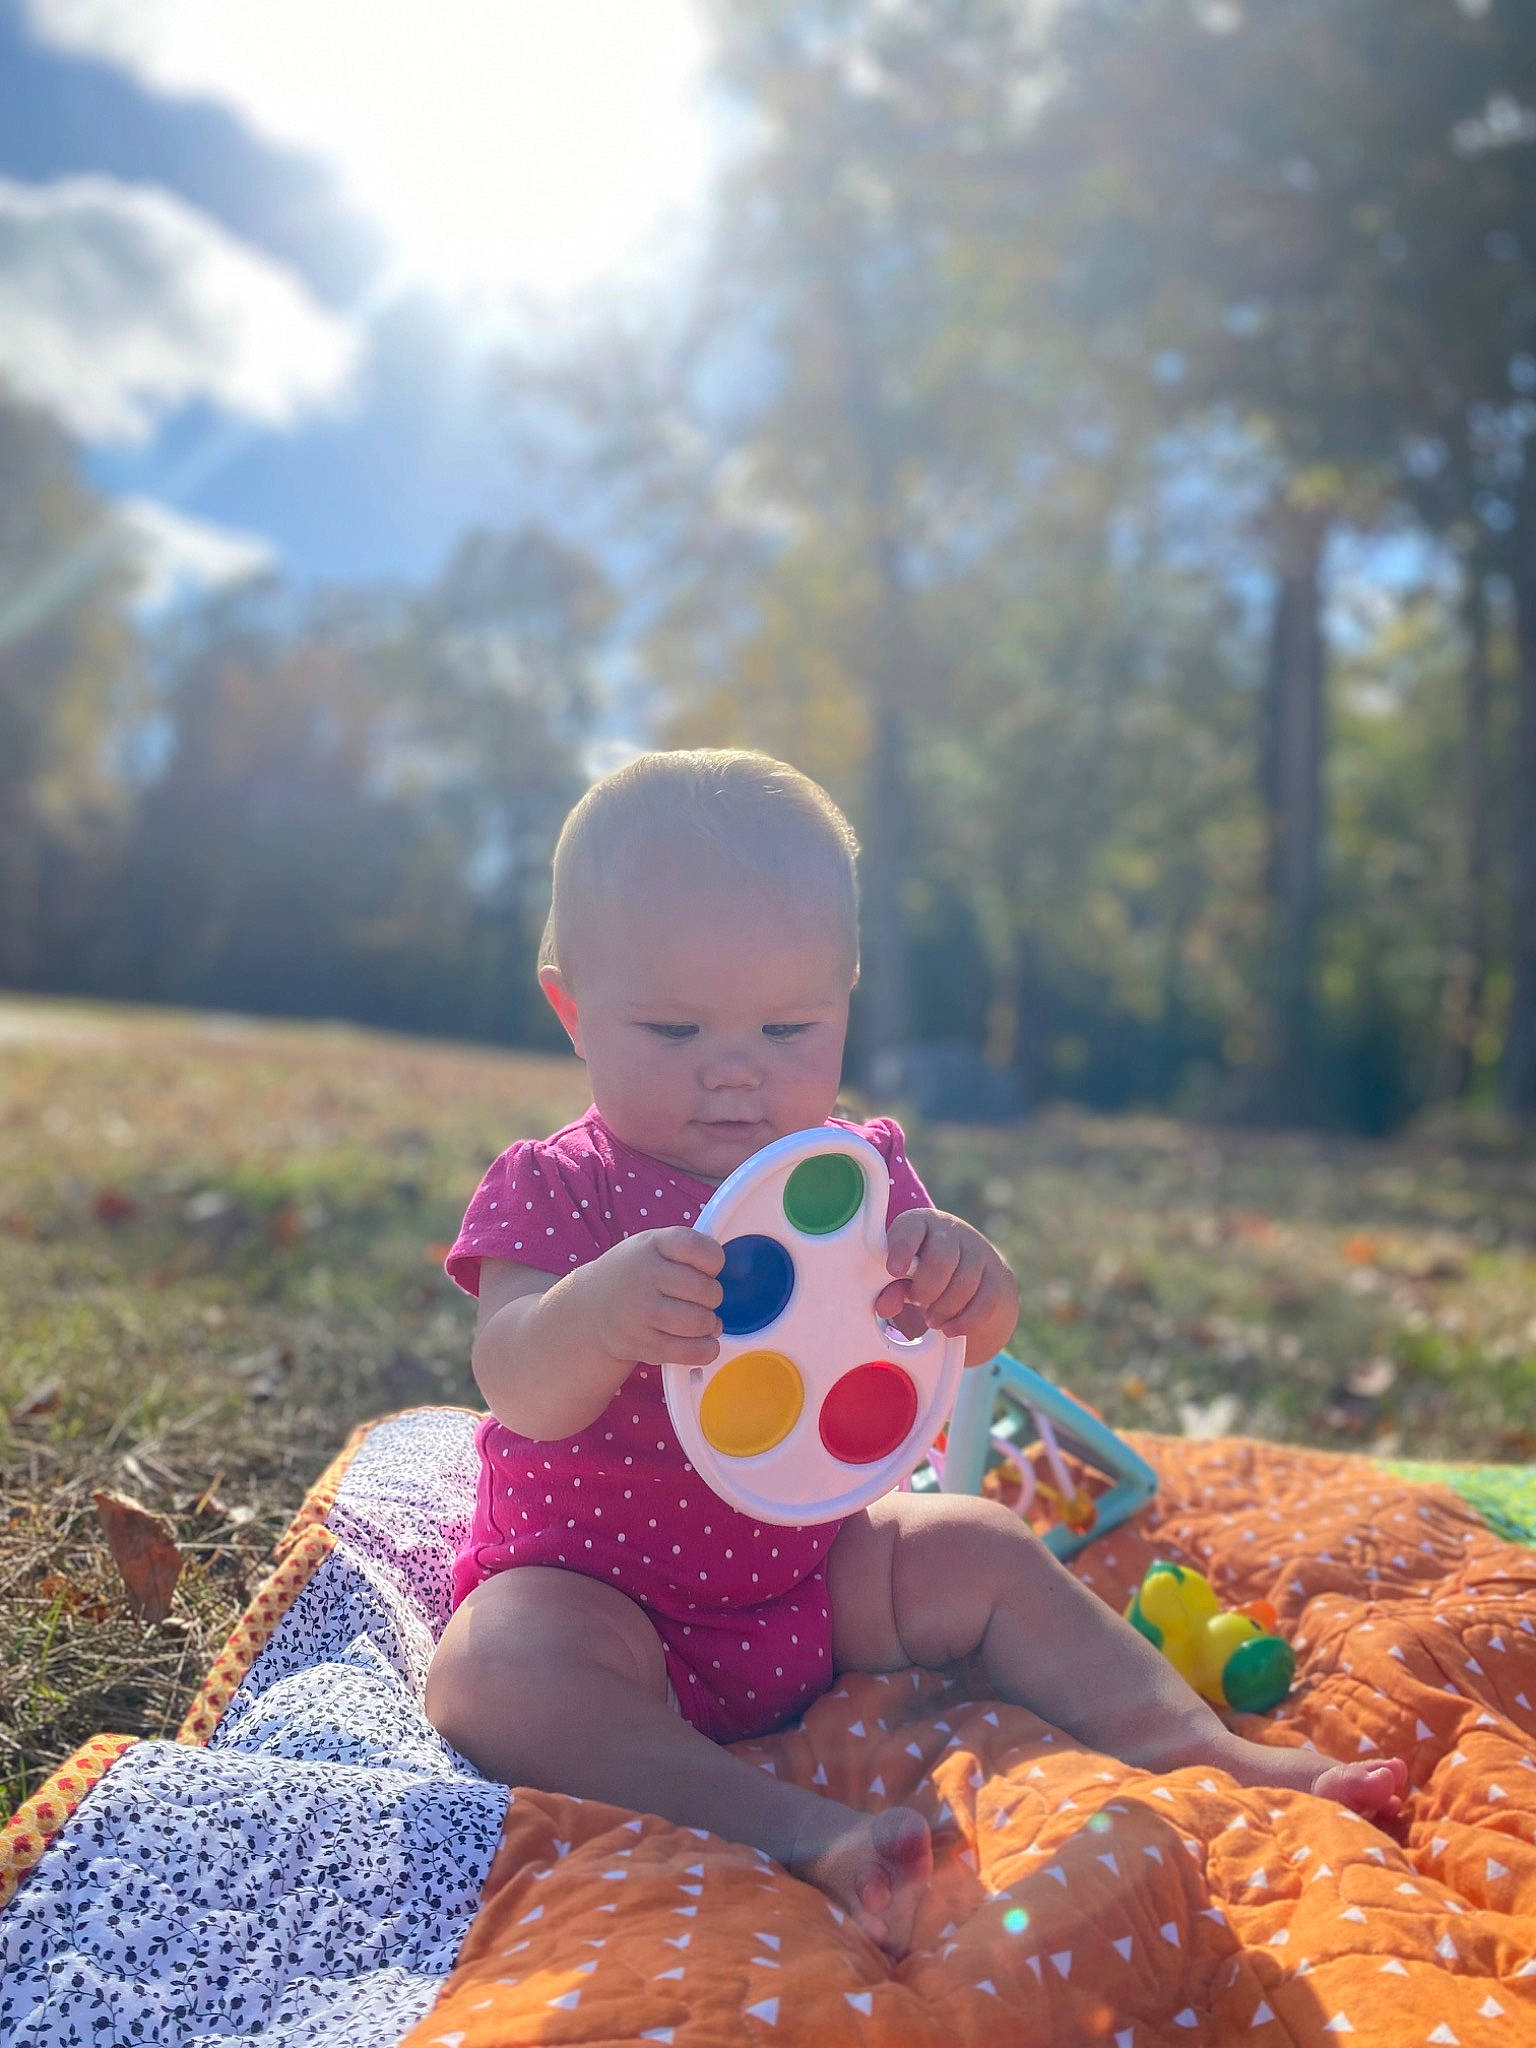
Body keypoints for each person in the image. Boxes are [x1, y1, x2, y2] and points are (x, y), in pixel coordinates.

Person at [425, 748, 1407, 1957]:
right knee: (490, 1669)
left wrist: (968, 1280)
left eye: (789, 1025)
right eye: (673, 1026)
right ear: (574, 1009)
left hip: (813, 1577)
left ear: (846, 998)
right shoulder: (558, 1184)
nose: (735, 1066)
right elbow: (513, 1378)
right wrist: (594, 1311)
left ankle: (1207, 1747)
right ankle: (791, 1825)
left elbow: (966, 1337)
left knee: (979, 1541)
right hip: (605, 1603)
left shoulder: (848, 1175)